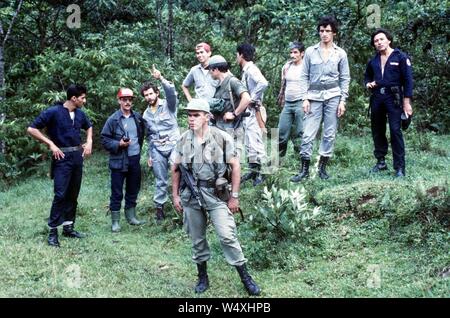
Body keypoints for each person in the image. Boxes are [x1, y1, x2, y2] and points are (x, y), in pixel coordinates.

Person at [171, 98, 261, 296]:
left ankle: (245, 277)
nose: (191, 119)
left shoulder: (221, 138)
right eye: (189, 115)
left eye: (196, 115)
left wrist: (234, 197)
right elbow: (176, 168)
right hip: (191, 195)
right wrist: (175, 196)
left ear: (207, 117)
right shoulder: (184, 139)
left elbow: (236, 166)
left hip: (216, 194)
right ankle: (202, 277)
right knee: (197, 239)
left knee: (227, 236)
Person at [27, 84, 93, 247]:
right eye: (82, 98)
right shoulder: (53, 112)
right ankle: (53, 232)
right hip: (61, 157)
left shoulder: (80, 114)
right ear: (74, 98)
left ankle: (68, 228)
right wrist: (51, 144)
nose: (84, 100)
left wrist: (89, 140)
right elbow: (31, 129)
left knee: (73, 194)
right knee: (60, 195)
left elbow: (89, 126)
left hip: (77, 157)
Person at [291, 15, 350, 182]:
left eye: (328, 31)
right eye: (322, 31)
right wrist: (305, 98)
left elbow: (345, 78)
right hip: (314, 97)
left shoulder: (340, 54)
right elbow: (304, 76)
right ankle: (304, 170)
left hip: (333, 96)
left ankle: (322, 168)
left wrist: (342, 101)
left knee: (329, 133)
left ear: (334, 33)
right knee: (308, 133)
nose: (324, 34)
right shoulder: (310, 51)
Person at [364, 28, 413, 177]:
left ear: (388, 40)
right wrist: (368, 84)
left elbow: (408, 81)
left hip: (394, 98)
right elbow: (367, 78)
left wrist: (407, 103)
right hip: (377, 97)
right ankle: (381, 161)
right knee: (377, 130)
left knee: (395, 131)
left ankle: (399, 168)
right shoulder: (373, 60)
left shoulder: (401, 57)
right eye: (376, 41)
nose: (378, 43)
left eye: (381, 39)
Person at [101, 88, 146, 232]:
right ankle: (115, 222)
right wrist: (118, 144)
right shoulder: (113, 119)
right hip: (118, 160)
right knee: (117, 192)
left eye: (130, 99)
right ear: (119, 100)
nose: (127, 102)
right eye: (124, 99)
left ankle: (131, 216)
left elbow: (142, 136)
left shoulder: (138, 118)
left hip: (134, 160)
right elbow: (104, 139)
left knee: (133, 188)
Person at [141, 65, 180, 221]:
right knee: (160, 178)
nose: (149, 97)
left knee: (179, 172)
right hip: (157, 147)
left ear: (156, 93)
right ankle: (159, 208)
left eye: (151, 93)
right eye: (146, 95)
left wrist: (160, 78)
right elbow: (149, 135)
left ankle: (182, 203)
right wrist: (150, 154)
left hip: (174, 144)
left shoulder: (169, 105)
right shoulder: (146, 114)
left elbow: (171, 92)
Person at [236, 43, 268, 186]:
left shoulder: (251, 69)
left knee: (256, 142)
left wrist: (252, 99)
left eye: (237, 54)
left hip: (254, 110)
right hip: (248, 111)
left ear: (241, 55)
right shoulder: (246, 70)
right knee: (249, 143)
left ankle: (263, 174)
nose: (236, 57)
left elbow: (263, 83)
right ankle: (253, 171)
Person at [207, 55, 252, 159]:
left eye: (210, 69)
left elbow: (247, 98)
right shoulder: (220, 85)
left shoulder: (232, 81)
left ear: (216, 69)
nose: (209, 72)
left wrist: (234, 113)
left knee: (233, 160)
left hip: (233, 128)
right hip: (220, 128)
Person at [277, 41, 306, 159]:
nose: (292, 55)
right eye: (291, 52)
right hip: (288, 103)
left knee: (299, 132)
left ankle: (299, 159)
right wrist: (281, 99)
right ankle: (279, 157)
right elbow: (283, 85)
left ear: (302, 53)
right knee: (282, 131)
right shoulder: (286, 66)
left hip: (301, 101)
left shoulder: (306, 67)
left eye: (295, 52)